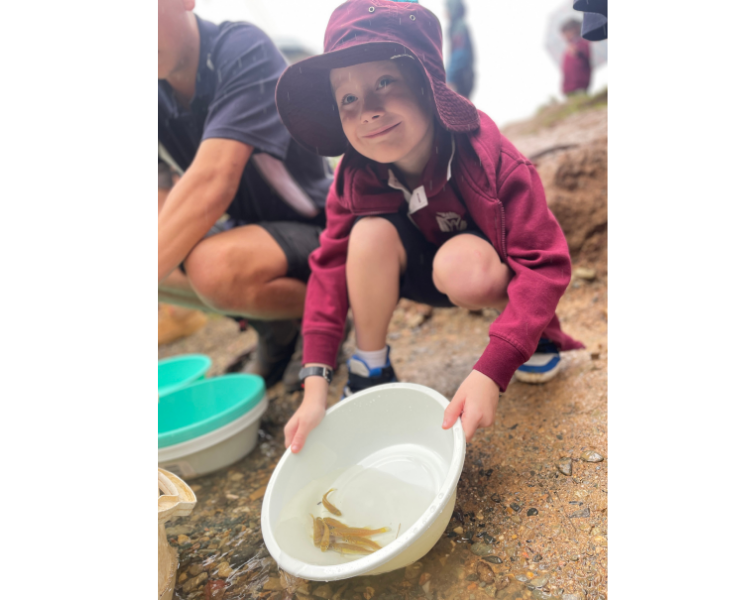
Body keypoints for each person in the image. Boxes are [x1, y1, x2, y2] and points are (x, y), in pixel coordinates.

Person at [273, 0, 584, 454]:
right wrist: (315, 382)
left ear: (425, 84)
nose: (369, 110)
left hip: (477, 268)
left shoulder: (488, 154)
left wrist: (491, 369)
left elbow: (546, 263)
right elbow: (330, 265)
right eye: (348, 99)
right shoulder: (354, 175)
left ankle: (528, 334)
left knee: (463, 268)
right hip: (411, 268)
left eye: (384, 82)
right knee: (366, 233)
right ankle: (371, 367)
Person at [157, 0, 334, 387]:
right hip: (248, 234)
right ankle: (276, 327)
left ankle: (326, 316)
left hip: (317, 227)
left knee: (212, 269)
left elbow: (213, 181)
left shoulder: (242, 49)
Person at [445, 0, 475, 99]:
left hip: (462, 78)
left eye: (447, 9)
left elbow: (459, 54)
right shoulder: (459, 26)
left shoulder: (459, 26)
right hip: (465, 76)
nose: (445, 12)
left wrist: (450, 78)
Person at [560, 18, 592, 96]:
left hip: (580, 82)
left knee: (580, 100)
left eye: (566, 33)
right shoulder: (569, 47)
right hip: (568, 84)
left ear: (575, 29)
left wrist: (578, 53)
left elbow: (586, 59)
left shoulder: (582, 43)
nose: (565, 37)